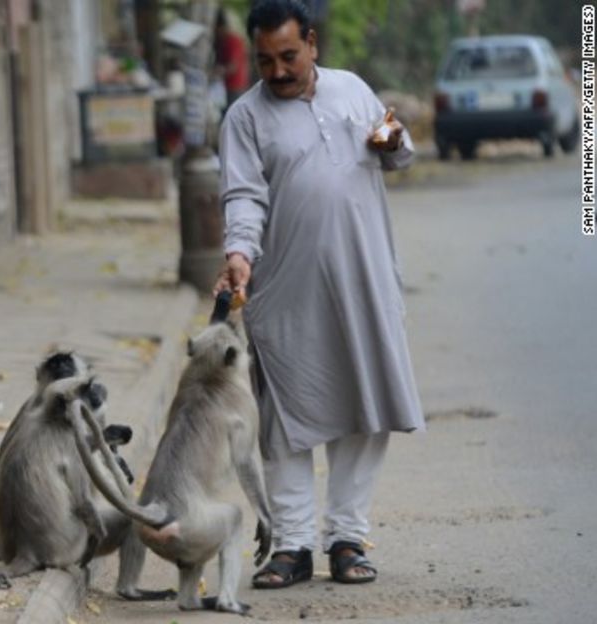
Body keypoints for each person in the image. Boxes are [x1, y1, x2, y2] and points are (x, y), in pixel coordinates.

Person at [212, 0, 424, 589]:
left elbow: (399, 152)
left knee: (366, 405)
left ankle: (348, 538)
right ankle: (293, 545)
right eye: (265, 61)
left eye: (288, 57)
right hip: (286, 288)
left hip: (365, 279)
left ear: (312, 43)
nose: (276, 72)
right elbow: (243, 197)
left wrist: (393, 141)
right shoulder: (245, 118)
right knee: (285, 416)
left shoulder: (352, 90)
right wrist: (238, 254)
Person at [215, 9, 250, 111]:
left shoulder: (233, 41)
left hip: (236, 85)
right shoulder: (223, 42)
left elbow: (233, 67)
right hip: (227, 86)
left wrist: (219, 71)